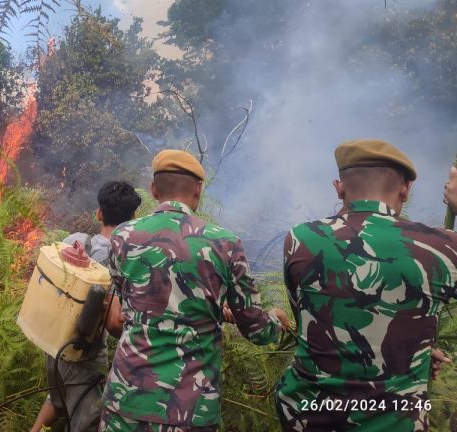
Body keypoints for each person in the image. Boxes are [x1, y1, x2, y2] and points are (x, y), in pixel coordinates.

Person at [276, 139, 457, 432]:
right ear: (406, 189)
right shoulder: (441, 246)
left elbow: (310, 320)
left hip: (308, 414)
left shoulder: (299, 239)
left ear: (339, 187)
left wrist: (413, 342)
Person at [100, 150, 288, 432]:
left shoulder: (122, 237)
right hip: (189, 409)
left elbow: (131, 305)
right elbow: (257, 329)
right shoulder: (224, 244)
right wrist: (276, 321)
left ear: (153, 189)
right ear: (199, 189)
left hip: (125, 400)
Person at [30, 181, 142, 432]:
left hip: (52, 345)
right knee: (87, 424)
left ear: (99, 213)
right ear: (133, 219)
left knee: (57, 401)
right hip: (83, 356)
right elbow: (115, 324)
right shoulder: (119, 260)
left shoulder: (76, 244)